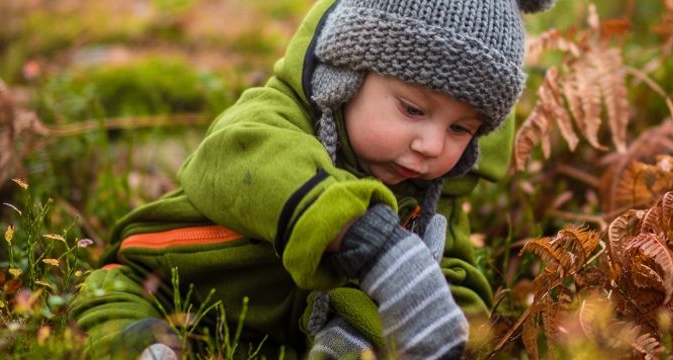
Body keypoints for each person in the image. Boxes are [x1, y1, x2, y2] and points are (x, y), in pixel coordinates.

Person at [70, 0, 555, 358]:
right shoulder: (277, 117)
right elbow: (241, 159)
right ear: (345, 76)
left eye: (460, 129)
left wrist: (405, 329)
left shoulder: (432, 191)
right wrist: (368, 240)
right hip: (166, 281)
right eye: (412, 109)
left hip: (271, 338)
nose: (431, 145)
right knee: (117, 307)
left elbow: (454, 282)